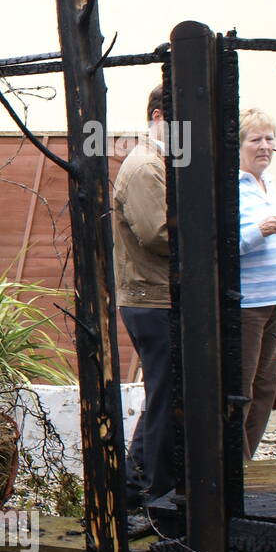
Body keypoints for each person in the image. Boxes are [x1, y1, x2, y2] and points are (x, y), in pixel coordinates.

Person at [112, 85, 176, 507]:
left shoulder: (158, 163)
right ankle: (144, 489)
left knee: (166, 392)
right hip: (150, 297)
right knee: (166, 393)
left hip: (153, 294)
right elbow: (158, 235)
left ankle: (140, 487)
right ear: (157, 116)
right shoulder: (146, 167)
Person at [237, 108, 276, 459]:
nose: (264, 147)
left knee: (266, 387)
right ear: (239, 144)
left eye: (269, 139)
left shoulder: (269, 183)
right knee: (241, 388)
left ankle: (249, 463)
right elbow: (224, 244)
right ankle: (235, 468)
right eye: (255, 139)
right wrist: (260, 231)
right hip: (249, 302)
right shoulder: (232, 186)